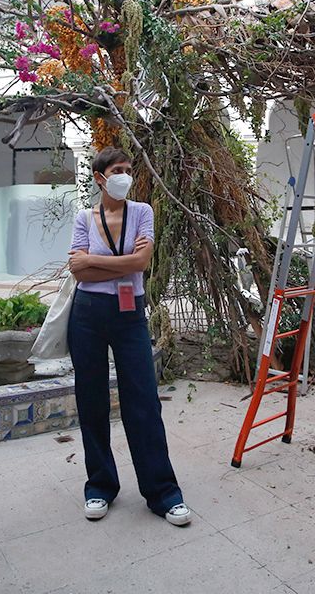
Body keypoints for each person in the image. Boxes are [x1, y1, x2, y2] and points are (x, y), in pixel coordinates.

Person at [66, 148, 191, 526]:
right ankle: (100, 486)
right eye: (116, 170)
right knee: (92, 400)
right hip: (87, 315)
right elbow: (78, 273)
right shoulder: (84, 217)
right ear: (99, 177)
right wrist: (107, 266)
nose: (124, 175)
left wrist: (93, 261)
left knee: (144, 400)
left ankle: (163, 492)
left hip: (129, 314)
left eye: (127, 169)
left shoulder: (142, 212)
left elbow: (140, 264)